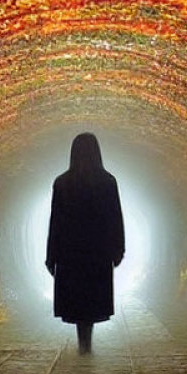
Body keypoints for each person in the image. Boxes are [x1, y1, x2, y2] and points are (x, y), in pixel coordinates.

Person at [46, 133, 124, 353]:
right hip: (98, 252)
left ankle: (83, 344)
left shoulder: (62, 183)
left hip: (70, 252)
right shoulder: (108, 181)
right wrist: (118, 249)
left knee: (77, 301)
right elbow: (115, 218)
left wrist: (51, 256)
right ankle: (86, 344)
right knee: (91, 299)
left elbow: (56, 222)